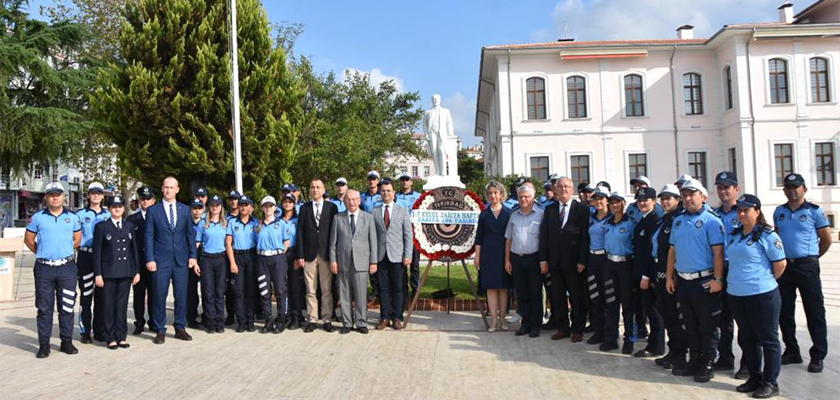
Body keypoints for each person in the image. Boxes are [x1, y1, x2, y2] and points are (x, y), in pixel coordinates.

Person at [727, 194, 787, 399]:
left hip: (762, 295)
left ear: (757, 212)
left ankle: (770, 382)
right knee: (747, 338)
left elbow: (780, 264)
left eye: (746, 210)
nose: (742, 213)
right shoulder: (734, 235)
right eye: (739, 210)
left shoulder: (767, 236)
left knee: (768, 339)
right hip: (737, 294)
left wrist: (762, 281)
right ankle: (754, 377)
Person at [666, 178, 725, 383]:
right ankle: (694, 360)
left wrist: (718, 279)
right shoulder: (679, 220)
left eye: (692, 194)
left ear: (703, 196)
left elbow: (718, 253)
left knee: (707, 325)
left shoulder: (712, 220)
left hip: (705, 281)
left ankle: (707, 362)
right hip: (683, 280)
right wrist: (669, 276)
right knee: (689, 324)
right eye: (684, 195)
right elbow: (672, 250)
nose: (688, 198)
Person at [773, 173, 832, 373]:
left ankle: (817, 355)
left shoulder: (815, 211)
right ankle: (792, 350)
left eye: (796, 187)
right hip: (786, 267)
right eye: (788, 187)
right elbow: (777, 237)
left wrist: (813, 258)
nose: (792, 191)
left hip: (807, 265)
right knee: (784, 310)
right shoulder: (779, 212)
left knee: (814, 310)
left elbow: (826, 239)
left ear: (804, 189)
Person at [25, 182, 82, 358]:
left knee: (66, 306)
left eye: (58, 194)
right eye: (51, 194)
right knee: (44, 308)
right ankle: (44, 344)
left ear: (64, 197)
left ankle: (66, 342)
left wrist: (63, 252)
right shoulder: (38, 217)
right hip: (44, 269)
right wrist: (43, 253)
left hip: (66, 268)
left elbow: (77, 240)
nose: (55, 197)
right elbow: (29, 240)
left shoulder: (72, 217)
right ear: (46, 197)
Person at [144, 177, 199, 344]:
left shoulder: (185, 209)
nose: (168, 190)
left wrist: (193, 256)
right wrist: (150, 259)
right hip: (160, 260)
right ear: (162, 189)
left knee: (181, 295)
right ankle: (160, 329)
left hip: (181, 260)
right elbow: (149, 236)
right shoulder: (153, 210)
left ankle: (180, 327)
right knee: (159, 295)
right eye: (166, 187)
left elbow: (190, 234)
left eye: (171, 187)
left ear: (177, 189)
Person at [539, 177, 589, 342]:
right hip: (554, 262)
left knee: (576, 297)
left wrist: (582, 259)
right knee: (557, 297)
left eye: (566, 186)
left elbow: (585, 238)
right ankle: (562, 328)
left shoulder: (581, 209)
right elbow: (544, 236)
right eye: (560, 187)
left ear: (573, 190)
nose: (563, 189)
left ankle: (577, 329)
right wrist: (543, 259)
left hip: (575, 263)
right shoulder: (550, 209)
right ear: (555, 190)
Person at [92, 195, 140, 350]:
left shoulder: (129, 226)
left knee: (122, 305)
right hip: (108, 272)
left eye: (120, 206)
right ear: (109, 209)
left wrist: (136, 271)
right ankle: (109, 337)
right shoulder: (102, 227)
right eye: (114, 206)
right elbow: (97, 253)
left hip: (125, 271)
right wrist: (98, 273)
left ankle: (121, 336)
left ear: (123, 208)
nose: (117, 209)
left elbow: (134, 251)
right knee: (108, 305)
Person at [712, 171, 748, 378]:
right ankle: (725, 358)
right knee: (722, 318)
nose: (723, 191)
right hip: (719, 269)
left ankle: (747, 363)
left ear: (736, 189)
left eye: (727, 187)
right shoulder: (714, 214)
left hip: (739, 269)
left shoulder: (745, 211)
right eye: (719, 187)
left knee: (744, 319)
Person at [329, 190, 378, 334]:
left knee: (361, 294)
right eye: (349, 199)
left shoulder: (368, 218)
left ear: (359, 201)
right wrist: (333, 260)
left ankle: (361, 322)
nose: (352, 202)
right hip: (343, 261)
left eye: (355, 199)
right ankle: (347, 323)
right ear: (344, 201)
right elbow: (333, 243)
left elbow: (373, 241)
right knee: (344, 294)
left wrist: (373, 261)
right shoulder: (338, 218)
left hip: (362, 261)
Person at [651, 185, 688, 370]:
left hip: (672, 274)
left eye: (669, 198)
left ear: (677, 199)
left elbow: (675, 249)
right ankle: (673, 351)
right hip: (660, 271)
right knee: (667, 315)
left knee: (676, 316)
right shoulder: (665, 219)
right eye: (663, 198)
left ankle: (680, 354)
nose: (665, 202)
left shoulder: (679, 219)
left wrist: (671, 275)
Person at [296, 178, 339, 333]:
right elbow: (299, 232)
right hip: (309, 254)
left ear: (323, 189)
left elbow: (335, 233)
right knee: (310, 290)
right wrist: (300, 254)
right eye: (312, 187)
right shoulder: (304, 208)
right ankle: (312, 319)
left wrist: (335, 255)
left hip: (326, 254)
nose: (315, 190)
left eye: (318, 187)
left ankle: (327, 318)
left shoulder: (332, 207)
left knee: (327, 289)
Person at [505, 184, 545, 338]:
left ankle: (536, 325)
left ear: (533, 197)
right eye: (521, 196)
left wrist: (543, 260)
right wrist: (507, 260)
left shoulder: (541, 215)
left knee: (535, 293)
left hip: (534, 259)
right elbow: (508, 239)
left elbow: (545, 240)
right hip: (517, 259)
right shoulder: (514, 215)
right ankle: (525, 324)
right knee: (521, 294)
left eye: (526, 196)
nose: (523, 199)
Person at [372, 179, 412, 330]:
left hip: (397, 256)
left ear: (394, 193)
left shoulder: (402, 211)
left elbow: (408, 235)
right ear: (380, 192)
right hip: (380, 256)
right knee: (382, 288)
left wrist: (407, 255)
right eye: (383, 191)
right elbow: (372, 236)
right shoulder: (374, 212)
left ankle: (396, 317)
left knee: (398, 288)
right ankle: (384, 317)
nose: (386, 193)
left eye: (389, 190)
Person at [600, 191, 637, 353]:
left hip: (625, 266)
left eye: (617, 202)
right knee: (610, 303)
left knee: (628, 305)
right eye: (612, 202)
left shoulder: (630, 223)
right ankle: (611, 338)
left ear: (623, 203)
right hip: (609, 265)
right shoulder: (607, 223)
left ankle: (629, 339)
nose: (614, 205)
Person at [75, 182, 110, 343]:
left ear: (103, 196)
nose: (95, 195)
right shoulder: (80, 215)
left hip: (103, 258)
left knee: (102, 296)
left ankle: (100, 330)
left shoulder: (108, 215)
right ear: (88, 195)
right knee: (86, 295)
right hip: (86, 257)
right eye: (92, 193)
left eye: (98, 193)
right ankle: (85, 331)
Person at [475, 181, 513, 332]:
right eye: (490, 193)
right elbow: (479, 238)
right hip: (488, 255)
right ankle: (494, 322)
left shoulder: (509, 213)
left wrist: (509, 259)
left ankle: (503, 320)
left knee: (503, 288)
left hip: (505, 254)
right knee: (491, 288)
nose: (493, 196)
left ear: (501, 194)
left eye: (495, 193)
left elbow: (511, 236)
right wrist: (477, 257)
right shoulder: (484, 214)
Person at [632, 187, 664, 358]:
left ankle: (656, 346)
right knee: (649, 310)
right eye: (640, 200)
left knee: (654, 311)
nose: (642, 203)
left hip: (649, 274)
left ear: (653, 201)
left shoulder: (654, 221)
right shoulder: (643, 220)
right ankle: (653, 343)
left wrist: (646, 276)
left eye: (646, 200)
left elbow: (651, 252)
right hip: (641, 272)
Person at [252, 196, 290, 333]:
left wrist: (278, 254)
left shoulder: (281, 224)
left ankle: (281, 319)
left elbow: (287, 242)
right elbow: (255, 242)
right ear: (262, 208)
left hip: (277, 259)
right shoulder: (258, 226)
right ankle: (268, 321)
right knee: (264, 291)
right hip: (262, 259)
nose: (268, 208)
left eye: (271, 205)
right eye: (265, 206)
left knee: (280, 290)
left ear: (275, 207)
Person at [225, 195, 258, 332]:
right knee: (238, 291)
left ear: (251, 207)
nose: (244, 207)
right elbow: (228, 243)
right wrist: (232, 262)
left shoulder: (256, 223)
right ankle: (241, 321)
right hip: (237, 256)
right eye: (241, 205)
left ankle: (250, 320)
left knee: (251, 290)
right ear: (238, 207)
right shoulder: (232, 223)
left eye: (246, 205)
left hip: (251, 256)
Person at [583, 186, 611, 345]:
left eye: (601, 198)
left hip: (607, 259)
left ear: (607, 200)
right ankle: (598, 331)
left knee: (609, 298)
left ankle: (609, 334)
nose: (598, 201)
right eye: (596, 198)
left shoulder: (614, 217)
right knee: (595, 297)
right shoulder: (591, 217)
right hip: (593, 260)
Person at [196, 195, 227, 333]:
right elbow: (197, 244)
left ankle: (220, 321)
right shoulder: (203, 223)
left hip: (221, 259)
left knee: (219, 292)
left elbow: (229, 243)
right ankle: (210, 321)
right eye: (213, 205)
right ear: (209, 207)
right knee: (208, 292)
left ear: (221, 207)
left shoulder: (226, 223)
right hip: (207, 260)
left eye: (218, 205)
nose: (215, 207)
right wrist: (195, 261)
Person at [127, 186, 156, 334]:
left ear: (154, 200)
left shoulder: (159, 217)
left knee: (154, 293)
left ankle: (153, 321)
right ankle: (139, 321)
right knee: (138, 294)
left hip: (154, 262)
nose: (145, 201)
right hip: (138, 262)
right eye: (143, 198)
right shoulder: (132, 219)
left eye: (148, 198)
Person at [279, 194, 304, 329]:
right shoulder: (278, 220)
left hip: (294, 254)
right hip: (282, 255)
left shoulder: (298, 220)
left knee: (295, 287)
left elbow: (301, 239)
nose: (287, 204)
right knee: (284, 287)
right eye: (285, 202)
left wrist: (298, 256)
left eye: (290, 202)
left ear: (294, 204)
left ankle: (297, 316)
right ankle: (286, 315)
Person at [395, 172, 422, 301]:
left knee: (415, 266)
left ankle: (415, 292)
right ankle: (403, 292)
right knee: (402, 266)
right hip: (399, 236)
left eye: (407, 179)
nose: (405, 182)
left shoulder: (419, 197)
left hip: (414, 236)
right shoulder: (395, 197)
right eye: (402, 180)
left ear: (411, 182)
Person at [187, 199, 205, 329]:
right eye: (195, 208)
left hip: (205, 259)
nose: (197, 211)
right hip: (190, 259)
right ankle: (191, 317)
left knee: (206, 289)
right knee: (191, 289)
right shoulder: (186, 223)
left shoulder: (206, 223)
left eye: (199, 208)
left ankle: (207, 315)